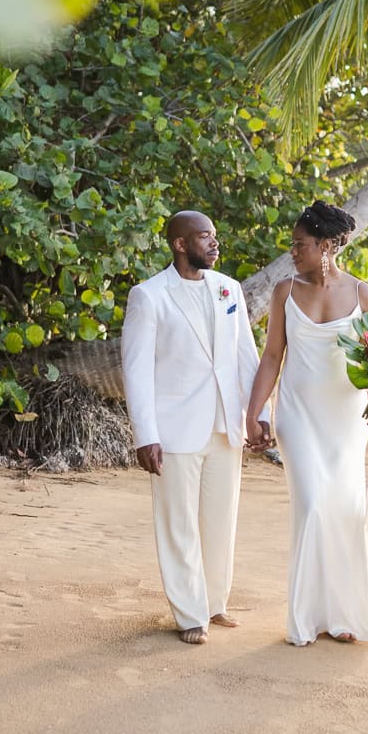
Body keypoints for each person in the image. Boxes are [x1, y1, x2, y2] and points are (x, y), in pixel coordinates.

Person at [244, 201, 368, 645]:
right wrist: (254, 412)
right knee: (313, 505)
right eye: (293, 245)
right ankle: (305, 617)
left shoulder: (362, 294)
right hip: (296, 414)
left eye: (301, 245)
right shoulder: (284, 291)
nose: (293, 252)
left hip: (348, 418)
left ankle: (341, 615)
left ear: (328, 245)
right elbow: (272, 357)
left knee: (344, 508)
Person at [121, 210, 261, 645]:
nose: (214, 244)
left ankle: (214, 602)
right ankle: (189, 614)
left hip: (226, 424)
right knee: (178, 524)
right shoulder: (149, 296)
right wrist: (146, 434)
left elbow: (245, 357)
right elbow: (136, 370)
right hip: (174, 427)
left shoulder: (228, 289)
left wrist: (260, 415)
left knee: (221, 520)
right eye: (204, 237)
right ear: (180, 245)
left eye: (215, 236)